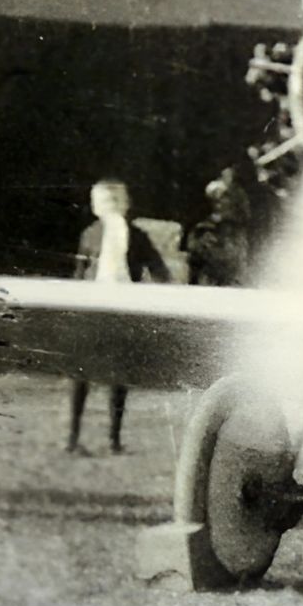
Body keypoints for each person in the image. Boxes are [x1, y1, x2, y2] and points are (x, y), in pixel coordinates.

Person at [65, 179, 170, 455]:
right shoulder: (91, 234)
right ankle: (77, 439)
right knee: (86, 374)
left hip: (119, 308)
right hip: (96, 307)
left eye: (111, 202)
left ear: (124, 205)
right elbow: (79, 272)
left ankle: (109, 439)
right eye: (101, 202)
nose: (106, 207)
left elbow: (158, 269)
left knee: (115, 375)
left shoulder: (133, 235)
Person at [180, 167, 252, 287]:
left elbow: (243, 217)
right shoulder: (202, 225)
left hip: (228, 242)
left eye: (224, 197)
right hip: (209, 245)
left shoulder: (238, 198)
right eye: (216, 199)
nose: (220, 202)